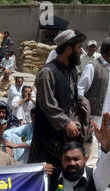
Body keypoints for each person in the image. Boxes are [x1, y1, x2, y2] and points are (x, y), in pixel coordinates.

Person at [29, 29, 87, 167]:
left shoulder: (72, 71)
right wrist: (66, 123)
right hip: (46, 139)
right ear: (68, 49)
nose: (81, 51)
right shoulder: (47, 72)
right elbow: (47, 104)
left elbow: (72, 100)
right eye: (79, 47)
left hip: (64, 139)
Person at [78, 38, 110, 135]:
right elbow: (80, 90)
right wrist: (83, 113)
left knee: (109, 144)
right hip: (96, 117)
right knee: (95, 144)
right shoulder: (93, 67)